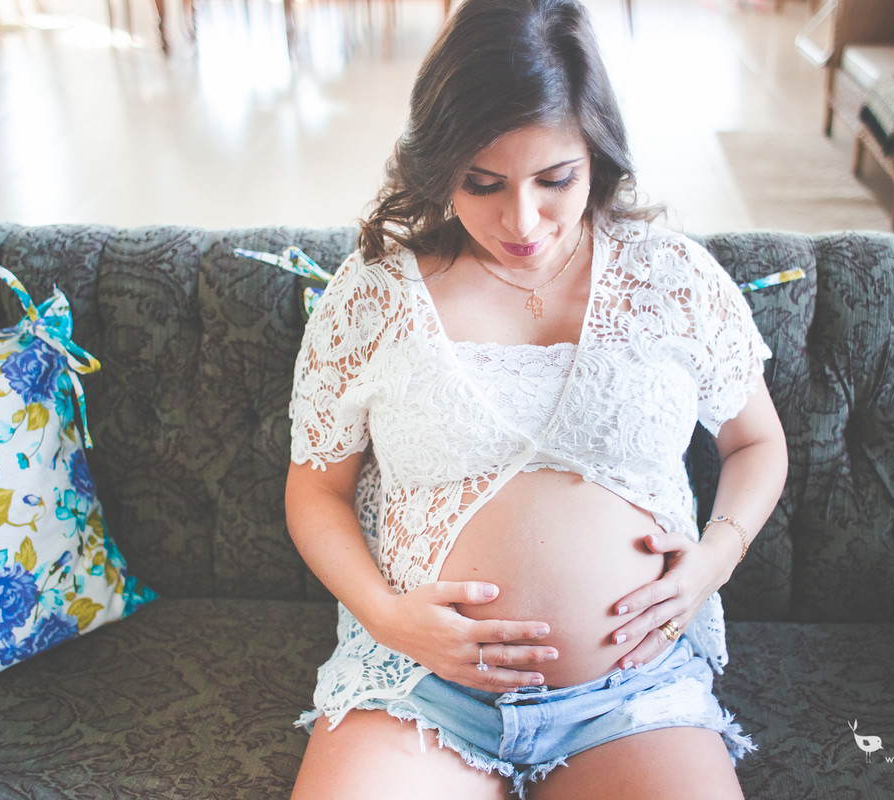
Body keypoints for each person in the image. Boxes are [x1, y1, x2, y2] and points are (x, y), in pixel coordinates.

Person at [285, 1, 787, 797]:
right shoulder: (373, 295)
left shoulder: (671, 277)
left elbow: (757, 443)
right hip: (416, 685)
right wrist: (386, 615)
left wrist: (715, 559)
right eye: (482, 184)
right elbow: (316, 491)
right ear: (437, 164)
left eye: (555, 180)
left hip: (633, 694)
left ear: (597, 153)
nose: (523, 222)